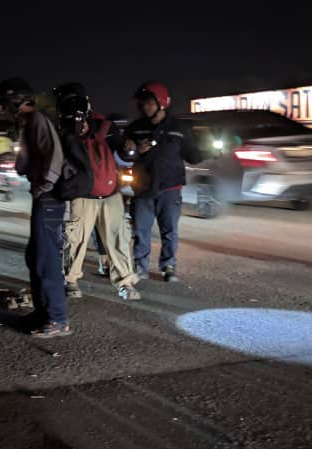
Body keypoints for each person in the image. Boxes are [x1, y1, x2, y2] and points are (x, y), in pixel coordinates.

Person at [0, 78, 68, 338]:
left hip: (49, 198)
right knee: (35, 256)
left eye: (4, 104)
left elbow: (55, 159)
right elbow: (24, 164)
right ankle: (43, 312)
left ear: (15, 100)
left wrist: (43, 187)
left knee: (47, 260)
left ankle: (57, 319)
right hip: (43, 197)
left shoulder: (38, 121)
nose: (4, 109)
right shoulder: (28, 125)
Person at [54, 87, 142, 302]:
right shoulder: (64, 136)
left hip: (111, 197)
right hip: (82, 197)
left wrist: (128, 148)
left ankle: (125, 283)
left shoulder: (106, 130)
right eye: (72, 121)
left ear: (88, 114)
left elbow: (123, 154)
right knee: (74, 240)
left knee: (118, 239)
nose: (78, 126)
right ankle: (71, 280)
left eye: (81, 119)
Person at [124, 82, 203, 283]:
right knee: (141, 230)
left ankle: (168, 266)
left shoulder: (179, 128)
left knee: (169, 230)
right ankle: (140, 267)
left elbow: (193, 156)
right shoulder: (135, 128)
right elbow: (124, 155)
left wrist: (209, 150)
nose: (145, 107)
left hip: (170, 188)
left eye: (149, 103)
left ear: (161, 103)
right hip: (143, 188)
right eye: (143, 104)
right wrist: (133, 151)